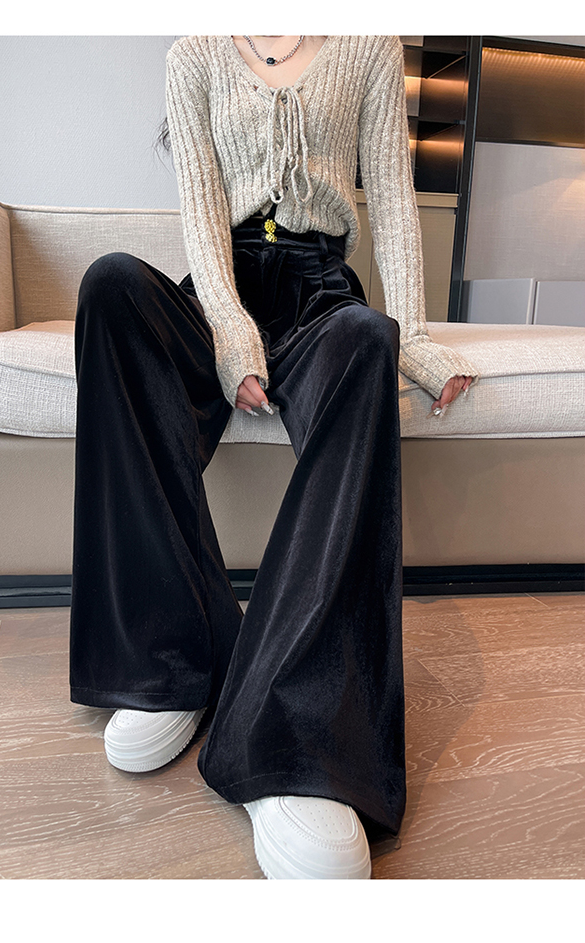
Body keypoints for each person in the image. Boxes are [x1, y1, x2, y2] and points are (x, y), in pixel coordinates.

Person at [69, 34, 479, 880]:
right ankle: (177, 659)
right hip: (219, 287)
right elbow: (200, 206)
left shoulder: (367, 47)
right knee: (111, 287)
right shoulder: (195, 55)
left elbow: (392, 198)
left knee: (366, 341)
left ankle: (295, 727)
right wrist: (230, 332)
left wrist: (414, 339)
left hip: (321, 288)